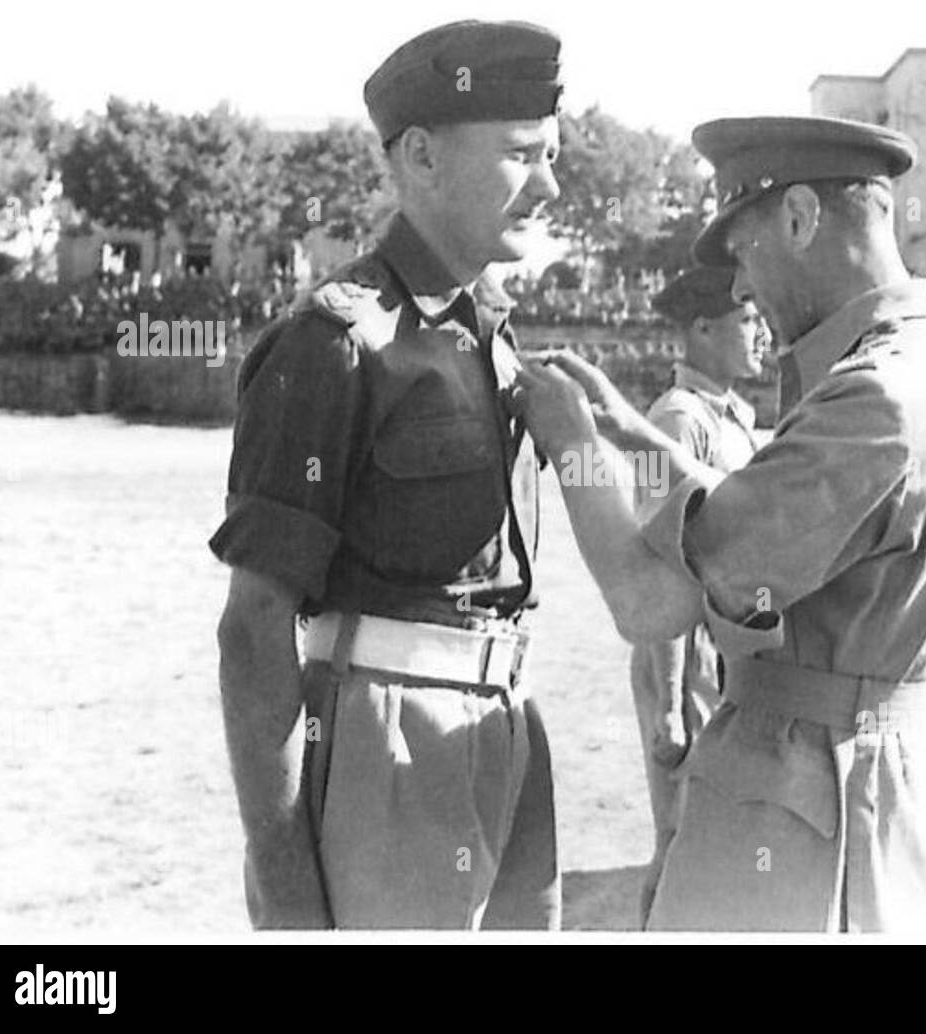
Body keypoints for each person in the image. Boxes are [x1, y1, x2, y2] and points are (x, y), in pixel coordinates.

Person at [518, 115, 926, 931]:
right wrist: (635, 434)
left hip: (799, 812)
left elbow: (648, 602)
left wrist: (571, 443)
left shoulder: (871, 401)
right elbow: (803, 523)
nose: (740, 289)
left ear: (800, 218)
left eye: (743, 251)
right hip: (879, 796)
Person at [210, 20, 564, 929]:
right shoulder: (334, 344)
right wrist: (286, 883)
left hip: (508, 734)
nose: (550, 185)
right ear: (421, 156)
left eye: (550, 155)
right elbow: (254, 630)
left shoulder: (488, 331)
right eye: (522, 155)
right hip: (386, 756)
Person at [630, 266, 766, 925]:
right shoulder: (675, 422)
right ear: (703, 329)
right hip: (685, 661)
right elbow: (661, 570)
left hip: (726, 653)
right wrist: (669, 707)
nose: (760, 330)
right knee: (685, 841)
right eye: (746, 319)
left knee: (722, 840)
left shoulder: (730, 416)